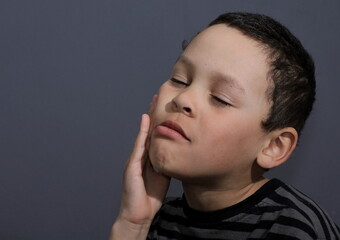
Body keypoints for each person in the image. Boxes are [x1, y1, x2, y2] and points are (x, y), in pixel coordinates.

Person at [109, 12, 340, 240]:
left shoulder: (295, 229)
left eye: (221, 98)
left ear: (274, 146)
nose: (183, 99)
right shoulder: (155, 220)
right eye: (180, 80)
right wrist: (132, 225)